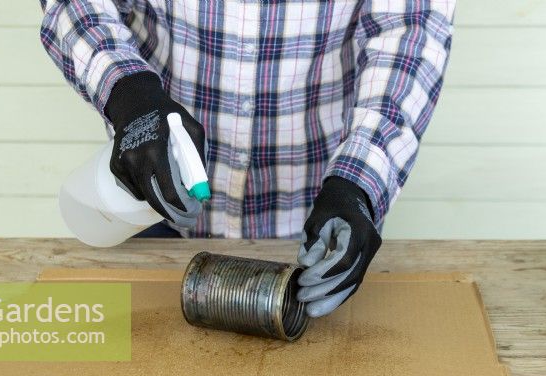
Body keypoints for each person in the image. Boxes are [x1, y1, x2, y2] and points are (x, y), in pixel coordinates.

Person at [40, 1, 454, 317]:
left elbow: (410, 29)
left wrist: (359, 183)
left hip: (313, 227)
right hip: (149, 197)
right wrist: (130, 94)